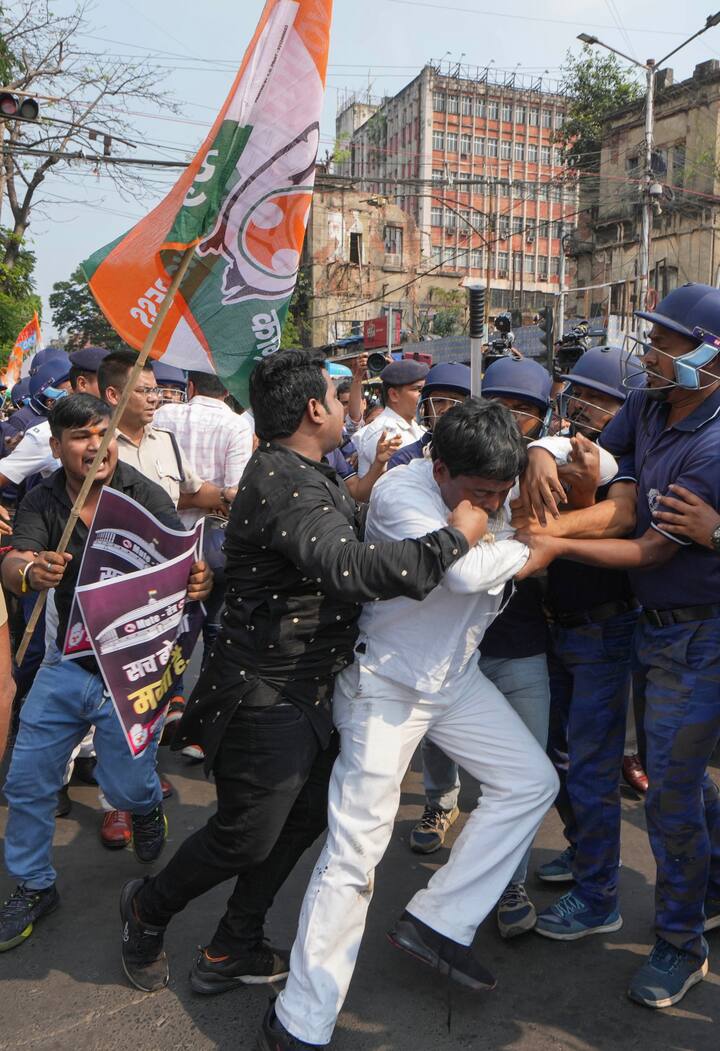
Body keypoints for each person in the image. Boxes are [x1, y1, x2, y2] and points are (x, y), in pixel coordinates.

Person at [118, 348, 487, 998]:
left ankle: (234, 940)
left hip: (314, 688)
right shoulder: (281, 479)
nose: (350, 403)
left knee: (304, 816)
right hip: (267, 692)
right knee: (244, 834)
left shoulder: (300, 471)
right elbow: (350, 568)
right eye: (340, 395)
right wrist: (455, 536)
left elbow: (327, 513)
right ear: (315, 407)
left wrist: (370, 483)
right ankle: (147, 909)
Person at [264, 399, 558, 1050]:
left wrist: (546, 452)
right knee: (355, 855)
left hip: (453, 680)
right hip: (386, 686)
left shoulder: (496, 475)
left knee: (531, 781)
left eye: (503, 489)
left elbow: (575, 456)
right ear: (441, 466)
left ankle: (438, 919)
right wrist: (532, 545)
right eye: (480, 492)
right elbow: (464, 570)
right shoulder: (401, 492)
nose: (493, 501)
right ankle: (298, 1019)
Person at [518, 283, 720, 1009]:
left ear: (708, 354)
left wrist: (546, 544)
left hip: (698, 629)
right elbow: (609, 471)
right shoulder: (650, 407)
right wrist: (543, 451)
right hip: (656, 629)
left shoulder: (714, 442)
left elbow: (647, 551)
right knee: (679, 777)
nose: (653, 353)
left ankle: (678, 941)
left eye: (667, 342)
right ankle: (711, 885)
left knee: (667, 792)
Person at [0, 394, 212, 953]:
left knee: (124, 782)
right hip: (61, 667)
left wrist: (198, 581)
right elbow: (14, 559)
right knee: (26, 782)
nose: (96, 446)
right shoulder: (42, 499)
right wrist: (29, 571)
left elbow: (184, 566)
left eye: (104, 434)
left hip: (131, 672)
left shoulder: (144, 495)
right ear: (56, 446)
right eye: (81, 437)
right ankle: (32, 884)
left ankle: (145, 810)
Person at [513, 347, 644, 942]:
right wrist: (541, 451)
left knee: (592, 767)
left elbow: (616, 521)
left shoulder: (626, 459)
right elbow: (540, 452)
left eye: (602, 398)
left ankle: (599, 897)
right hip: (558, 625)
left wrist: (543, 530)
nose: (588, 406)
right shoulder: (561, 447)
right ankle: (586, 853)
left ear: (626, 407)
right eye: (581, 394)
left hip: (604, 628)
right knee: (561, 759)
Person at [354, 359, 428, 476]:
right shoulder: (383, 434)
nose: (422, 395)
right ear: (394, 395)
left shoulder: (418, 428)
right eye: (417, 389)